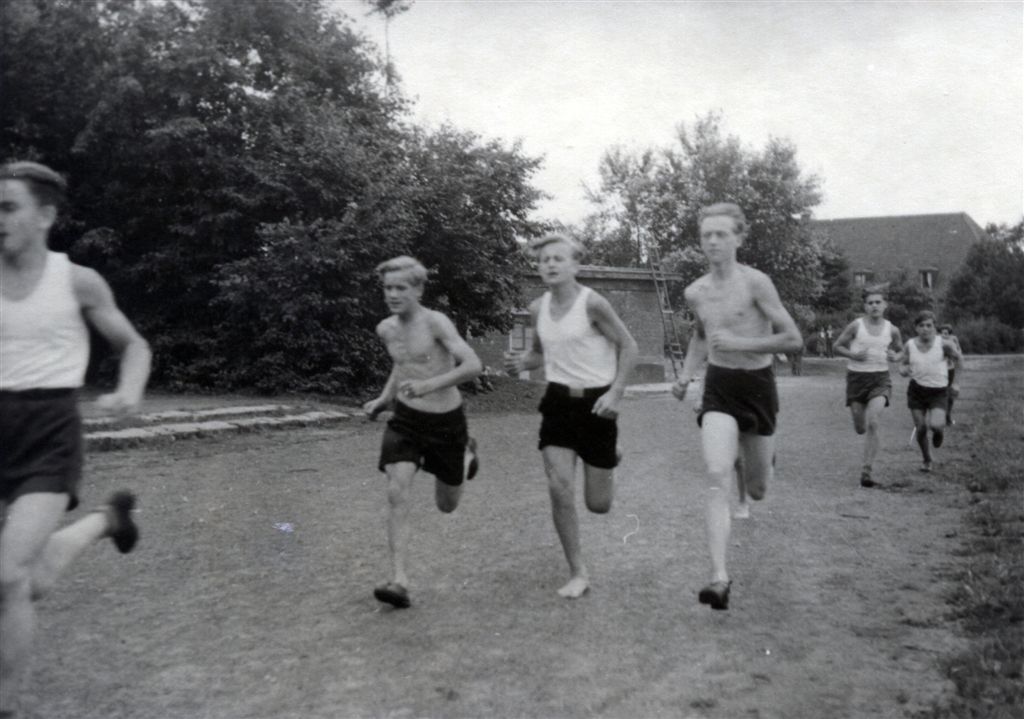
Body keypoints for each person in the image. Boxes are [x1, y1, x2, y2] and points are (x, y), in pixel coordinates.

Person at [0, 161, 151, 717]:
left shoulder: (77, 280)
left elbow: (134, 345)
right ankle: (106, 521)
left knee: (7, 575)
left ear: (44, 215)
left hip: (48, 433)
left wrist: (129, 390)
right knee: (27, 581)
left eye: (7, 207)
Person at [670, 203, 802, 611]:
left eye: (722, 234)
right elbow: (701, 336)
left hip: (758, 386)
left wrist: (743, 344)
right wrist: (687, 374)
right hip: (720, 387)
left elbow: (793, 339)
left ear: (739, 238)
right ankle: (719, 577)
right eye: (707, 235)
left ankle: (762, 456)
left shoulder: (757, 284)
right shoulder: (696, 291)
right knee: (715, 474)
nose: (712, 241)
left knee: (759, 489)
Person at [504, 233, 638, 599]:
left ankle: (612, 454)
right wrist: (523, 362)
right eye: (543, 259)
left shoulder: (593, 304)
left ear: (575, 265)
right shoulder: (536, 309)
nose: (549, 264)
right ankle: (578, 571)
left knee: (599, 504)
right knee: (559, 489)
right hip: (558, 404)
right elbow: (539, 353)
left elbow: (629, 346)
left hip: (597, 405)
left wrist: (616, 393)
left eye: (557, 258)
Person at [363, 256, 482, 609]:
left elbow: (474, 365)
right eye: (388, 288)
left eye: (401, 288)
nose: (393, 294)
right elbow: (402, 367)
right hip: (406, 420)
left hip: (446, 422)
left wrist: (431, 384)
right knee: (396, 490)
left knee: (447, 505)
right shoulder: (386, 329)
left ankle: (466, 455)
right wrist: (384, 400)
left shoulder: (436, 323)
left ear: (418, 289)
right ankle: (399, 580)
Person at [832, 287, 903, 488]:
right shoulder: (856, 326)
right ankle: (860, 424)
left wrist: (895, 357)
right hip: (856, 379)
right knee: (860, 427)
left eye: (878, 302)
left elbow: (901, 350)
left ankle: (867, 470)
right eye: (870, 303)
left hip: (880, 379)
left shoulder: (892, 329)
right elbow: (837, 346)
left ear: (885, 305)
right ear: (865, 306)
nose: (874, 306)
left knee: (873, 422)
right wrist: (853, 355)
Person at [896, 311, 961, 473]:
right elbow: (903, 364)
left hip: (938, 391)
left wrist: (956, 383)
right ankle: (927, 459)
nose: (925, 329)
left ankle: (939, 432)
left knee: (936, 425)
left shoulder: (944, 344)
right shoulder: (910, 345)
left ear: (934, 327)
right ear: (916, 328)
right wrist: (903, 370)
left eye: (929, 325)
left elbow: (960, 360)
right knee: (921, 427)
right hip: (917, 391)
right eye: (921, 326)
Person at [938, 324, 963, 425]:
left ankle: (947, 416)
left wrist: (956, 343)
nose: (944, 335)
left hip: (950, 370)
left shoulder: (952, 342)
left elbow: (959, 355)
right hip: (939, 370)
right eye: (942, 333)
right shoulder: (937, 341)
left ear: (950, 334)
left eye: (946, 333)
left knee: (950, 393)